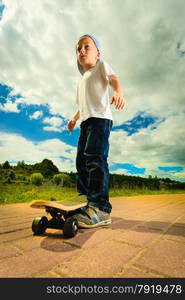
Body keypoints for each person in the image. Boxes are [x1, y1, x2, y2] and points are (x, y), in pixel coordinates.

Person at [67, 34, 125, 228]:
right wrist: (74, 119)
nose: (81, 51)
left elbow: (114, 79)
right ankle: (86, 201)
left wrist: (117, 92)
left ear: (97, 53)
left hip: (100, 120)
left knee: (95, 158)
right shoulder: (82, 80)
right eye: (78, 49)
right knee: (81, 161)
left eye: (86, 47)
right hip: (85, 122)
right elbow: (81, 105)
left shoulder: (101, 66)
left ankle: (100, 207)